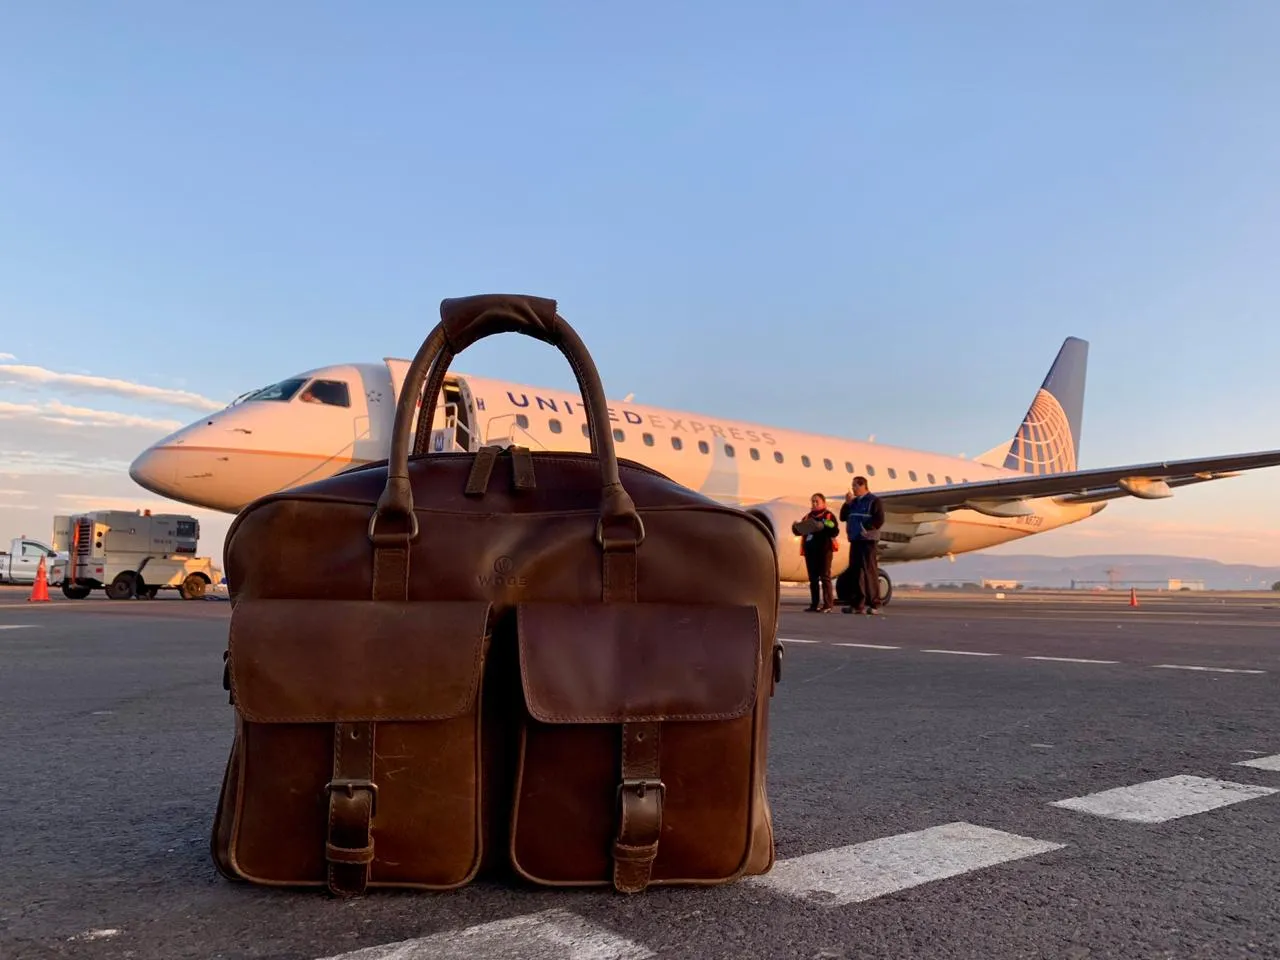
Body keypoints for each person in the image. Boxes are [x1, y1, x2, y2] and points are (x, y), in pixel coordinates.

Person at [839, 475, 886, 614]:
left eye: (855, 485)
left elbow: (879, 519)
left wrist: (867, 528)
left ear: (862, 486)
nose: (852, 488)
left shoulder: (874, 501)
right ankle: (857, 604)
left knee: (869, 572)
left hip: (867, 540)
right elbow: (843, 517)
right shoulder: (853, 502)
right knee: (855, 573)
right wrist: (847, 503)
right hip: (855, 540)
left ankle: (875, 604)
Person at [796, 493, 839, 612]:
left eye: (816, 501)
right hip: (810, 551)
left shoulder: (828, 515)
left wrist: (824, 524)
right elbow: (799, 531)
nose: (814, 504)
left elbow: (835, 530)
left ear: (823, 503)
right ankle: (814, 604)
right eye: (812, 501)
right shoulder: (807, 517)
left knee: (825, 577)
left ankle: (828, 605)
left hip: (824, 550)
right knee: (813, 579)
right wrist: (796, 527)